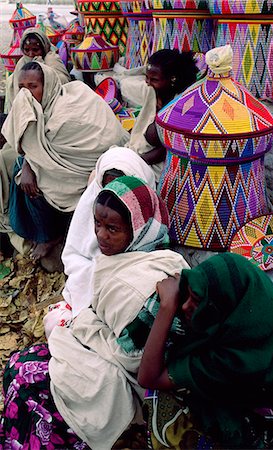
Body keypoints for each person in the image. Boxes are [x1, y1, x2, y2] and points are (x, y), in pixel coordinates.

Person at [0, 176, 189, 449]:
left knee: (29, 386)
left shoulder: (138, 285)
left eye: (113, 228)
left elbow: (135, 358)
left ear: (138, 229)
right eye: (98, 224)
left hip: (122, 384)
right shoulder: (143, 256)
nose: (101, 235)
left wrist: (85, 328)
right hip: (98, 354)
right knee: (18, 363)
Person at [138, 253, 273, 449]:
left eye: (198, 301)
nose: (186, 305)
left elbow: (149, 378)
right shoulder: (255, 303)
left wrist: (166, 306)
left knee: (161, 401)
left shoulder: (233, 360)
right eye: (189, 294)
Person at [1, 61, 129, 260]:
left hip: (90, 171)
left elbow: (104, 139)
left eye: (33, 87)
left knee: (32, 177)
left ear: (49, 85)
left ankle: (51, 236)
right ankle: (43, 234)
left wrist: (30, 165)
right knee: (22, 170)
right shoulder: (35, 110)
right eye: (21, 87)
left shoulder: (70, 105)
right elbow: (32, 148)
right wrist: (28, 165)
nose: (26, 93)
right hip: (64, 168)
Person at [43, 146, 156, 337]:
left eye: (121, 185)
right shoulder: (93, 202)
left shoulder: (147, 216)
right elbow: (74, 254)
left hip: (123, 300)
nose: (114, 192)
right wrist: (97, 274)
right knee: (55, 323)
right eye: (108, 186)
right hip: (86, 291)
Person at [127, 49, 198, 183]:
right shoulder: (153, 95)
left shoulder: (182, 106)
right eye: (146, 77)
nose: (148, 83)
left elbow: (168, 149)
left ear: (173, 79)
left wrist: (135, 162)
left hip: (163, 167)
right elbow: (140, 129)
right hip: (142, 156)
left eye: (154, 79)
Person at [5, 27, 70, 112]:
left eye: (35, 50)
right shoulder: (21, 62)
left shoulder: (52, 60)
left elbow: (62, 82)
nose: (30, 54)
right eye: (26, 50)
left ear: (44, 48)